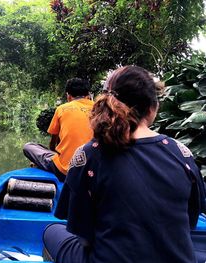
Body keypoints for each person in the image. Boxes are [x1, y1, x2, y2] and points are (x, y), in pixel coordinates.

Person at [43, 66, 206, 263]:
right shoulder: (183, 154)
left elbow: (83, 236)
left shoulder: (88, 155)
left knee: (51, 231)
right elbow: (189, 223)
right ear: (153, 108)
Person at [23, 78, 94, 181]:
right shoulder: (100, 108)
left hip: (66, 171)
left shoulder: (61, 109)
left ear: (68, 96)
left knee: (29, 146)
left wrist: (55, 153)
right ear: (88, 95)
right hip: (94, 171)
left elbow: (53, 143)